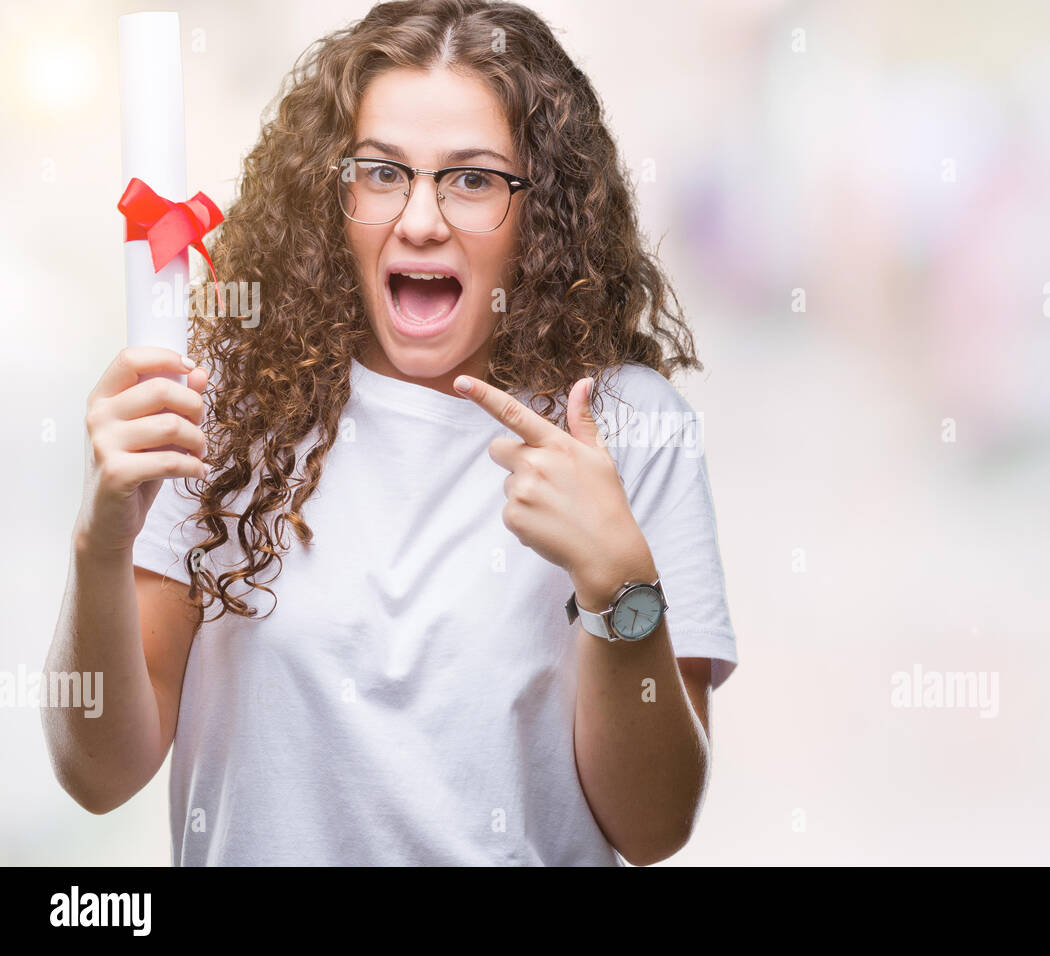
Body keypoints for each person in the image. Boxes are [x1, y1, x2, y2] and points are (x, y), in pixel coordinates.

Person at [43, 0, 737, 866]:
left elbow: (654, 828)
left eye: (473, 179)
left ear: (544, 208)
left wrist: (618, 582)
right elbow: (97, 775)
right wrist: (98, 542)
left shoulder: (629, 427)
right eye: (381, 172)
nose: (420, 219)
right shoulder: (214, 403)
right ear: (331, 192)